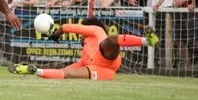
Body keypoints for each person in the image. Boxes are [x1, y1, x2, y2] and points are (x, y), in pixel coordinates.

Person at [9, 17, 159, 80]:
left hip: (105, 55)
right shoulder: (85, 57)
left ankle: (148, 41)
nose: (80, 36)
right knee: (66, 73)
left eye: (81, 34)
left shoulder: (96, 31)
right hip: (104, 71)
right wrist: (41, 73)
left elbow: (67, 27)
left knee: (111, 40)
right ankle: (33, 70)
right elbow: (63, 72)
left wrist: (56, 34)